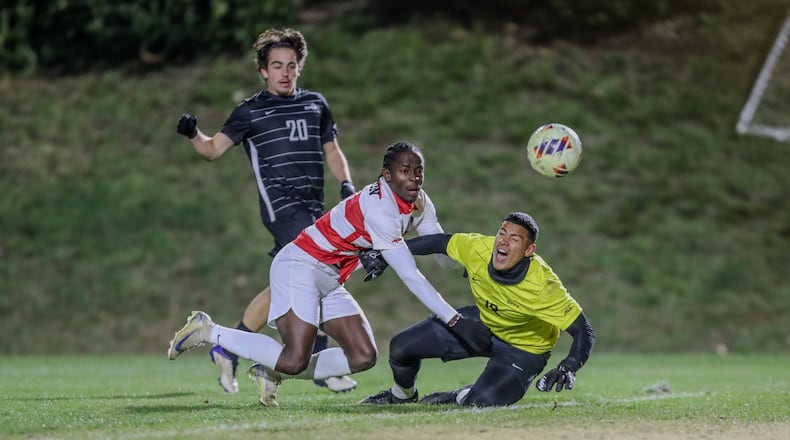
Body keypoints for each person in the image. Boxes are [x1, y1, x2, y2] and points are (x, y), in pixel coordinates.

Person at [167, 141, 491, 407]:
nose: (414, 178)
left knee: (363, 356)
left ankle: (271, 372)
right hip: (301, 265)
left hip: (330, 277)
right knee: (295, 359)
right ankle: (208, 330)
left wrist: (467, 263)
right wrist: (453, 319)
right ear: (387, 175)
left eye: (418, 171)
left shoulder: (418, 201)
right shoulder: (382, 210)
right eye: (405, 171)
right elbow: (411, 276)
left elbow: (438, 249)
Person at [175, 28, 359, 394]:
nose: (285, 73)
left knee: (285, 285)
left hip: (313, 209)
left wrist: (346, 185)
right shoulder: (250, 111)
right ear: (263, 70)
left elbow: (333, 151)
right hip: (281, 208)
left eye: (292, 66)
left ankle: (228, 347)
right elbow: (213, 150)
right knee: (320, 270)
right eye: (277, 66)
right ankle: (320, 362)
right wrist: (194, 134)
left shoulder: (316, 104)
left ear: (299, 68)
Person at [359, 212, 595, 407]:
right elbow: (440, 242)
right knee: (401, 347)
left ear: (528, 250)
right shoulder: (479, 248)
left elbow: (583, 330)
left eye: (514, 238)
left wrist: (569, 366)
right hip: (482, 324)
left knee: (480, 402)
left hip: (524, 349)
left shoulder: (542, 286)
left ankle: (460, 395)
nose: (503, 241)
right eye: (502, 233)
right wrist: (389, 253)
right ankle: (401, 395)